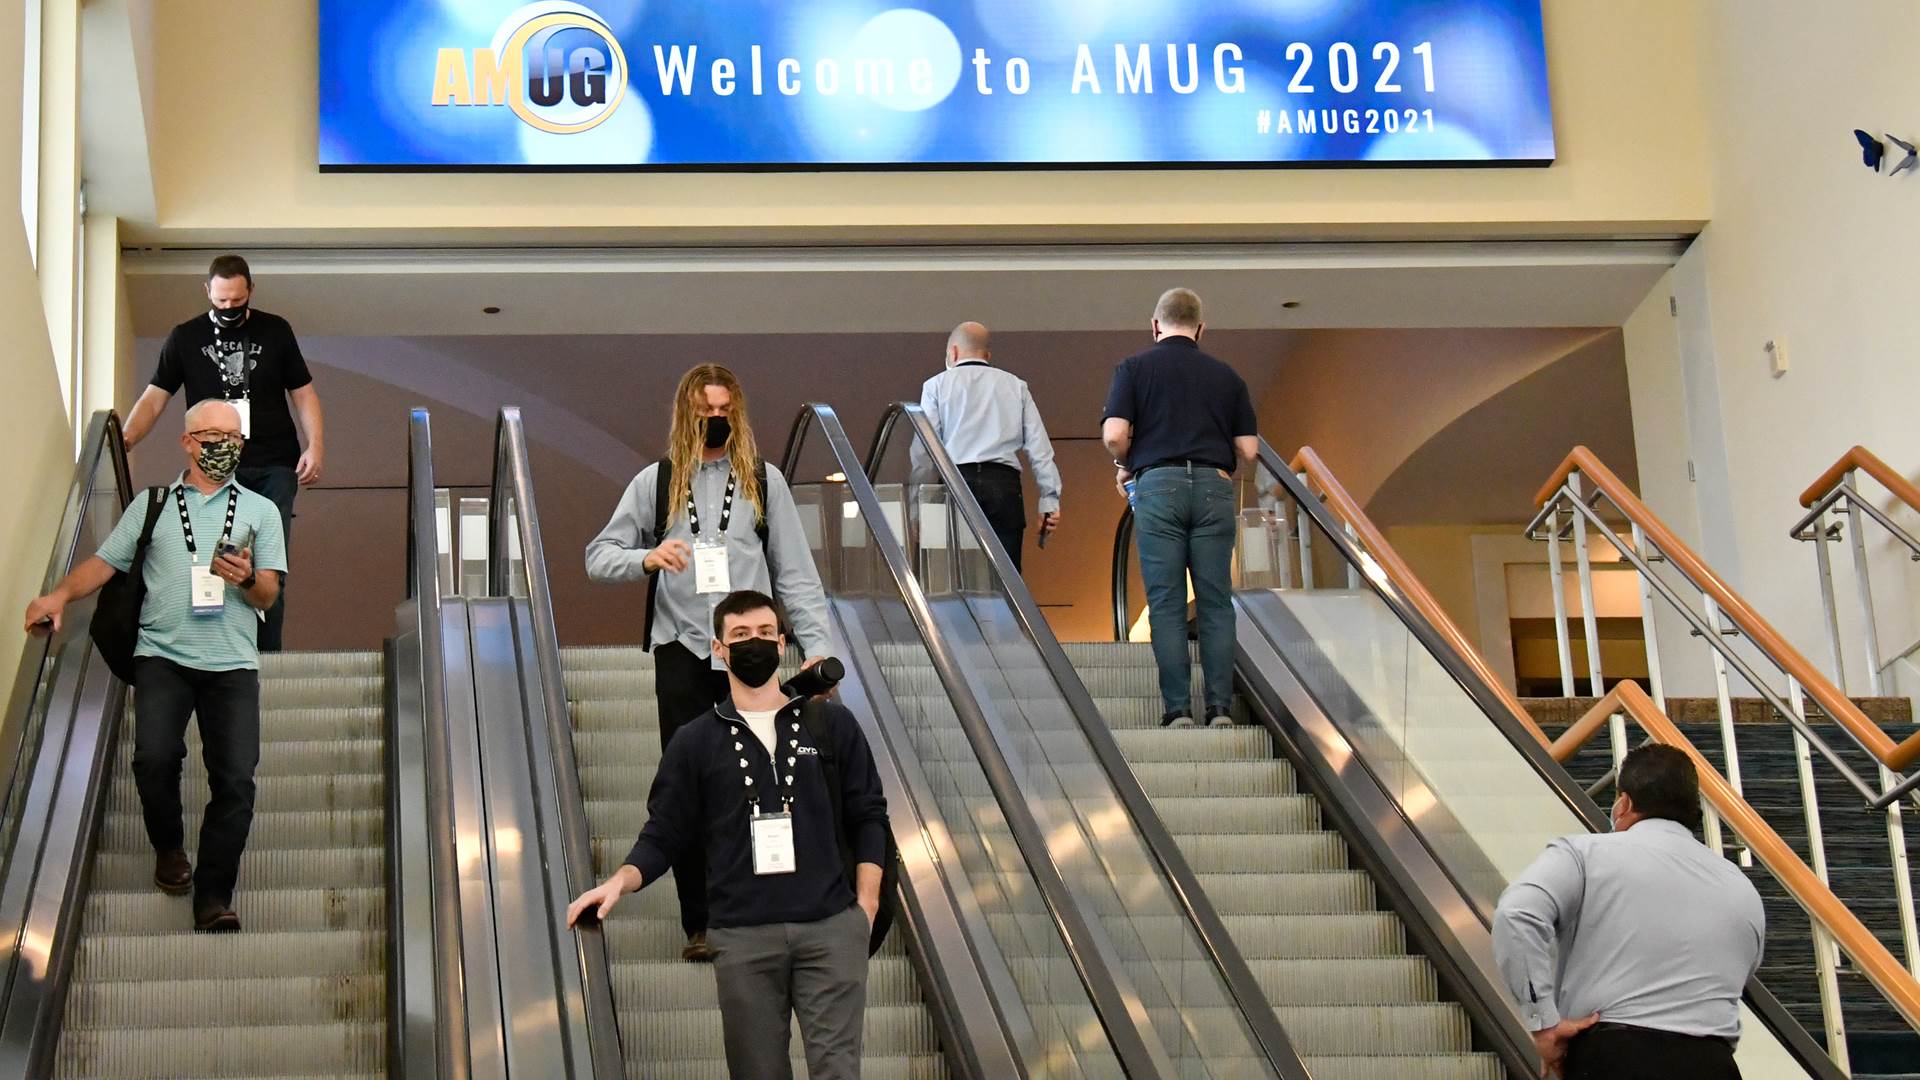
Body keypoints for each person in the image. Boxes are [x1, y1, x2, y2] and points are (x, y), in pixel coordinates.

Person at [567, 590, 885, 1080]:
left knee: (838, 1072)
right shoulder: (695, 740)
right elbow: (665, 832)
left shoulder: (831, 724)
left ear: (782, 644)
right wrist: (619, 882)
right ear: (719, 649)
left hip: (830, 928)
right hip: (742, 937)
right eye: (740, 635)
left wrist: (865, 907)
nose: (754, 643)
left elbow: (869, 815)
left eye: (764, 633)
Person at [586, 363, 832, 962]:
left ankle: (760, 911)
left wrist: (818, 646)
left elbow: (795, 574)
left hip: (749, 656)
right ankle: (701, 921)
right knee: (689, 784)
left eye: (724, 411)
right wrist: (646, 558)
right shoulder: (657, 482)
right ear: (685, 415)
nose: (715, 420)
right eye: (704, 411)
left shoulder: (763, 482)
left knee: (762, 782)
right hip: (683, 651)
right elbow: (598, 556)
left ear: (737, 414)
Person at [25, 400, 286, 933]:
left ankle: (213, 896)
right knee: (153, 758)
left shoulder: (261, 511)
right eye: (214, 436)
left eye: (235, 438)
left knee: (236, 779)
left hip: (233, 664)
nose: (226, 446)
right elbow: (104, 564)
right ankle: (169, 849)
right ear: (188, 442)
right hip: (162, 656)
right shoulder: (153, 505)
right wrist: (58, 596)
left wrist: (244, 578)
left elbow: (268, 595)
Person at [1493, 744, 1764, 1080]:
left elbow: (1516, 913)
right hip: (1713, 1064)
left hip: (1614, 1056)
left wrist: (1544, 1024)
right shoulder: (1741, 887)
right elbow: (1742, 972)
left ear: (1624, 804)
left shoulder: (1585, 854)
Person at [122, 254, 323, 653]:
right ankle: (217, 648)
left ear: (251, 291)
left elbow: (303, 393)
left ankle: (267, 655)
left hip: (273, 462)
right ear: (207, 292)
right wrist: (127, 437)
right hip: (214, 466)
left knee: (269, 560)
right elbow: (155, 397)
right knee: (214, 555)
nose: (230, 307)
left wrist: (315, 444)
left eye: (237, 300)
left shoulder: (276, 330)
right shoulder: (185, 337)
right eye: (221, 301)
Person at [1101, 288, 1257, 729]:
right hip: (1214, 487)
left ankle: (1178, 710)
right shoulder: (1227, 377)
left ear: (1155, 325)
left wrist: (1125, 465)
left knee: (1166, 603)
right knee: (1216, 603)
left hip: (1158, 486)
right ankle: (1220, 709)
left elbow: (1114, 436)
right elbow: (1249, 448)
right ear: (1201, 328)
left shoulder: (1133, 368)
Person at [916, 321, 1062, 570]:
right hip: (1004, 486)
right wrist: (1050, 498)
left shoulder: (935, 386)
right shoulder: (1016, 386)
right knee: (1006, 576)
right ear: (987, 355)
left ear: (953, 352)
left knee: (953, 573)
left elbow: (923, 451)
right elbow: (1039, 448)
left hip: (955, 483)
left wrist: (916, 504)